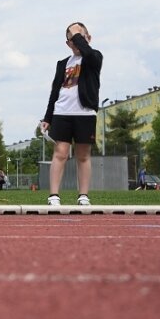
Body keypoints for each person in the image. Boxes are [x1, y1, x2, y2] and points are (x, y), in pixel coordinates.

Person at [40, 22, 103, 206]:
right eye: (72, 41)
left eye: (79, 38)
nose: (76, 43)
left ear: (88, 39)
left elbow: (88, 53)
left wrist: (78, 36)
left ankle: (83, 195)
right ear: (67, 44)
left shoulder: (94, 57)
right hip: (62, 113)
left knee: (83, 155)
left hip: (85, 113)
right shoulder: (62, 64)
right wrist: (48, 118)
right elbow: (54, 92)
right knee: (60, 152)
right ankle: (54, 196)